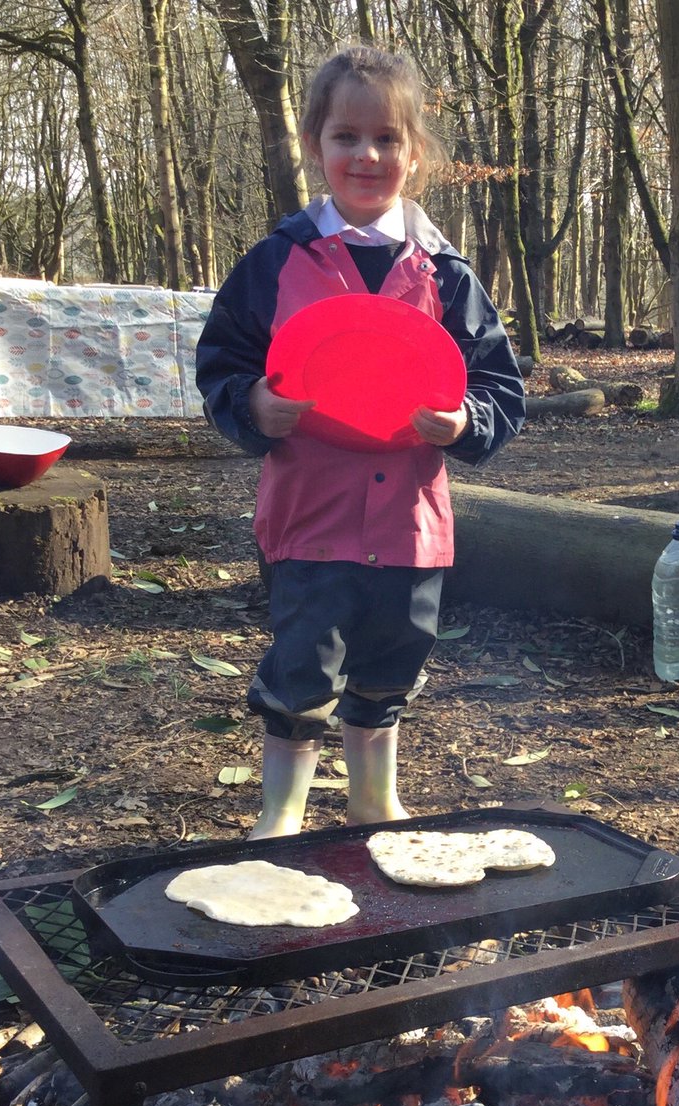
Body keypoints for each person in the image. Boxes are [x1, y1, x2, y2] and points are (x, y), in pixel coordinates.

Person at [196, 45, 525, 839]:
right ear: (316, 145)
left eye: (386, 138)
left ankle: (374, 801)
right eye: (346, 136)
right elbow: (222, 363)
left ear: (415, 153)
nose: (366, 155)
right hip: (312, 516)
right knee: (304, 664)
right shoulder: (277, 261)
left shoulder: (446, 274)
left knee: (391, 660)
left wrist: (464, 424)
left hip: (413, 525)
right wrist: (254, 404)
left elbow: (499, 387)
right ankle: (281, 813)